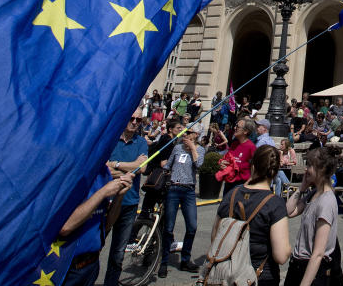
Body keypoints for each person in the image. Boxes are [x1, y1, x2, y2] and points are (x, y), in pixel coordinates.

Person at [213, 145, 291, 286]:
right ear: (275, 172)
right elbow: (281, 256)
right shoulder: (275, 203)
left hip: (226, 274)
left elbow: (215, 237)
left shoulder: (231, 195)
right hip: (258, 275)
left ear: (253, 166)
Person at [58, 168, 135, 286]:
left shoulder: (103, 173)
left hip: (91, 265)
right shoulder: (70, 173)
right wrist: (103, 192)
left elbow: (107, 224)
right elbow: (65, 227)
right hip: (67, 268)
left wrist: (119, 196)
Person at [103, 108, 149, 286]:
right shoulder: (112, 139)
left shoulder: (141, 142)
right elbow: (104, 167)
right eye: (132, 118)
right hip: (107, 201)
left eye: (139, 120)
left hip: (129, 204)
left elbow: (142, 168)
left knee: (118, 254)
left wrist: (116, 164)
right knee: (94, 248)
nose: (135, 122)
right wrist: (130, 168)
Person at [285, 144, 342, 286]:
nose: (306, 169)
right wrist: (302, 187)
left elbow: (318, 253)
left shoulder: (326, 202)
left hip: (311, 270)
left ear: (321, 169)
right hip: (297, 264)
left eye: (310, 165)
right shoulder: (313, 194)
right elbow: (288, 211)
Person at [158, 128, 204, 276]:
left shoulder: (200, 149)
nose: (185, 134)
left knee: (192, 226)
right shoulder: (177, 148)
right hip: (174, 188)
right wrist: (162, 165)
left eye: (189, 131)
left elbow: (199, 166)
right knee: (168, 228)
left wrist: (192, 149)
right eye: (185, 132)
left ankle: (185, 260)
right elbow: (168, 165)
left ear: (196, 135)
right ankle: (163, 262)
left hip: (189, 191)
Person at [220, 118, 257, 191]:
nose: (234, 128)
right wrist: (223, 163)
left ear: (246, 131)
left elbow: (256, 169)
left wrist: (247, 184)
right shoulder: (234, 144)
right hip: (229, 183)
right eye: (235, 125)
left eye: (237, 126)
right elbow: (227, 159)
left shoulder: (251, 147)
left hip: (241, 185)